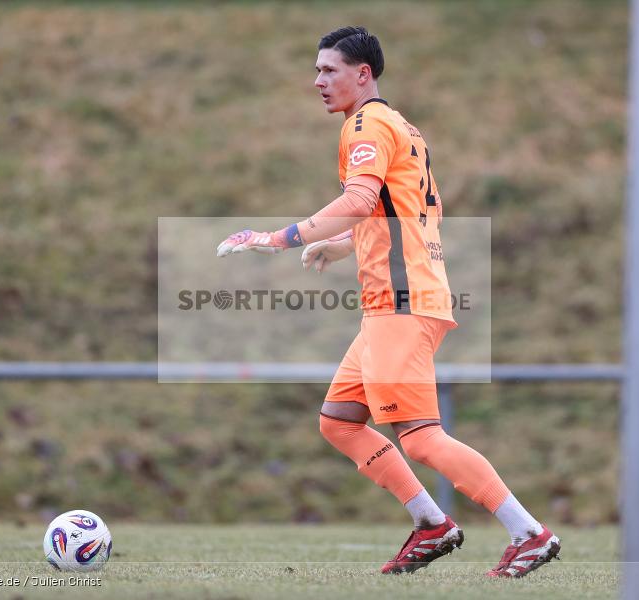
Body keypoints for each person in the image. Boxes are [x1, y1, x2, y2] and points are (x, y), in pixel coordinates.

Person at [216, 26, 560, 577]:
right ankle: (432, 524)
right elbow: (401, 213)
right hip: (393, 303)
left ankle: (529, 533)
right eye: (317, 70)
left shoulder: (367, 124)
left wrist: (277, 238)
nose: (318, 81)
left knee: (422, 437)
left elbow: (358, 199)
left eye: (328, 70)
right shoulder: (401, 125)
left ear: (363, 74)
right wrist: (338, 245)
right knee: (339, 421)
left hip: (401, 303)